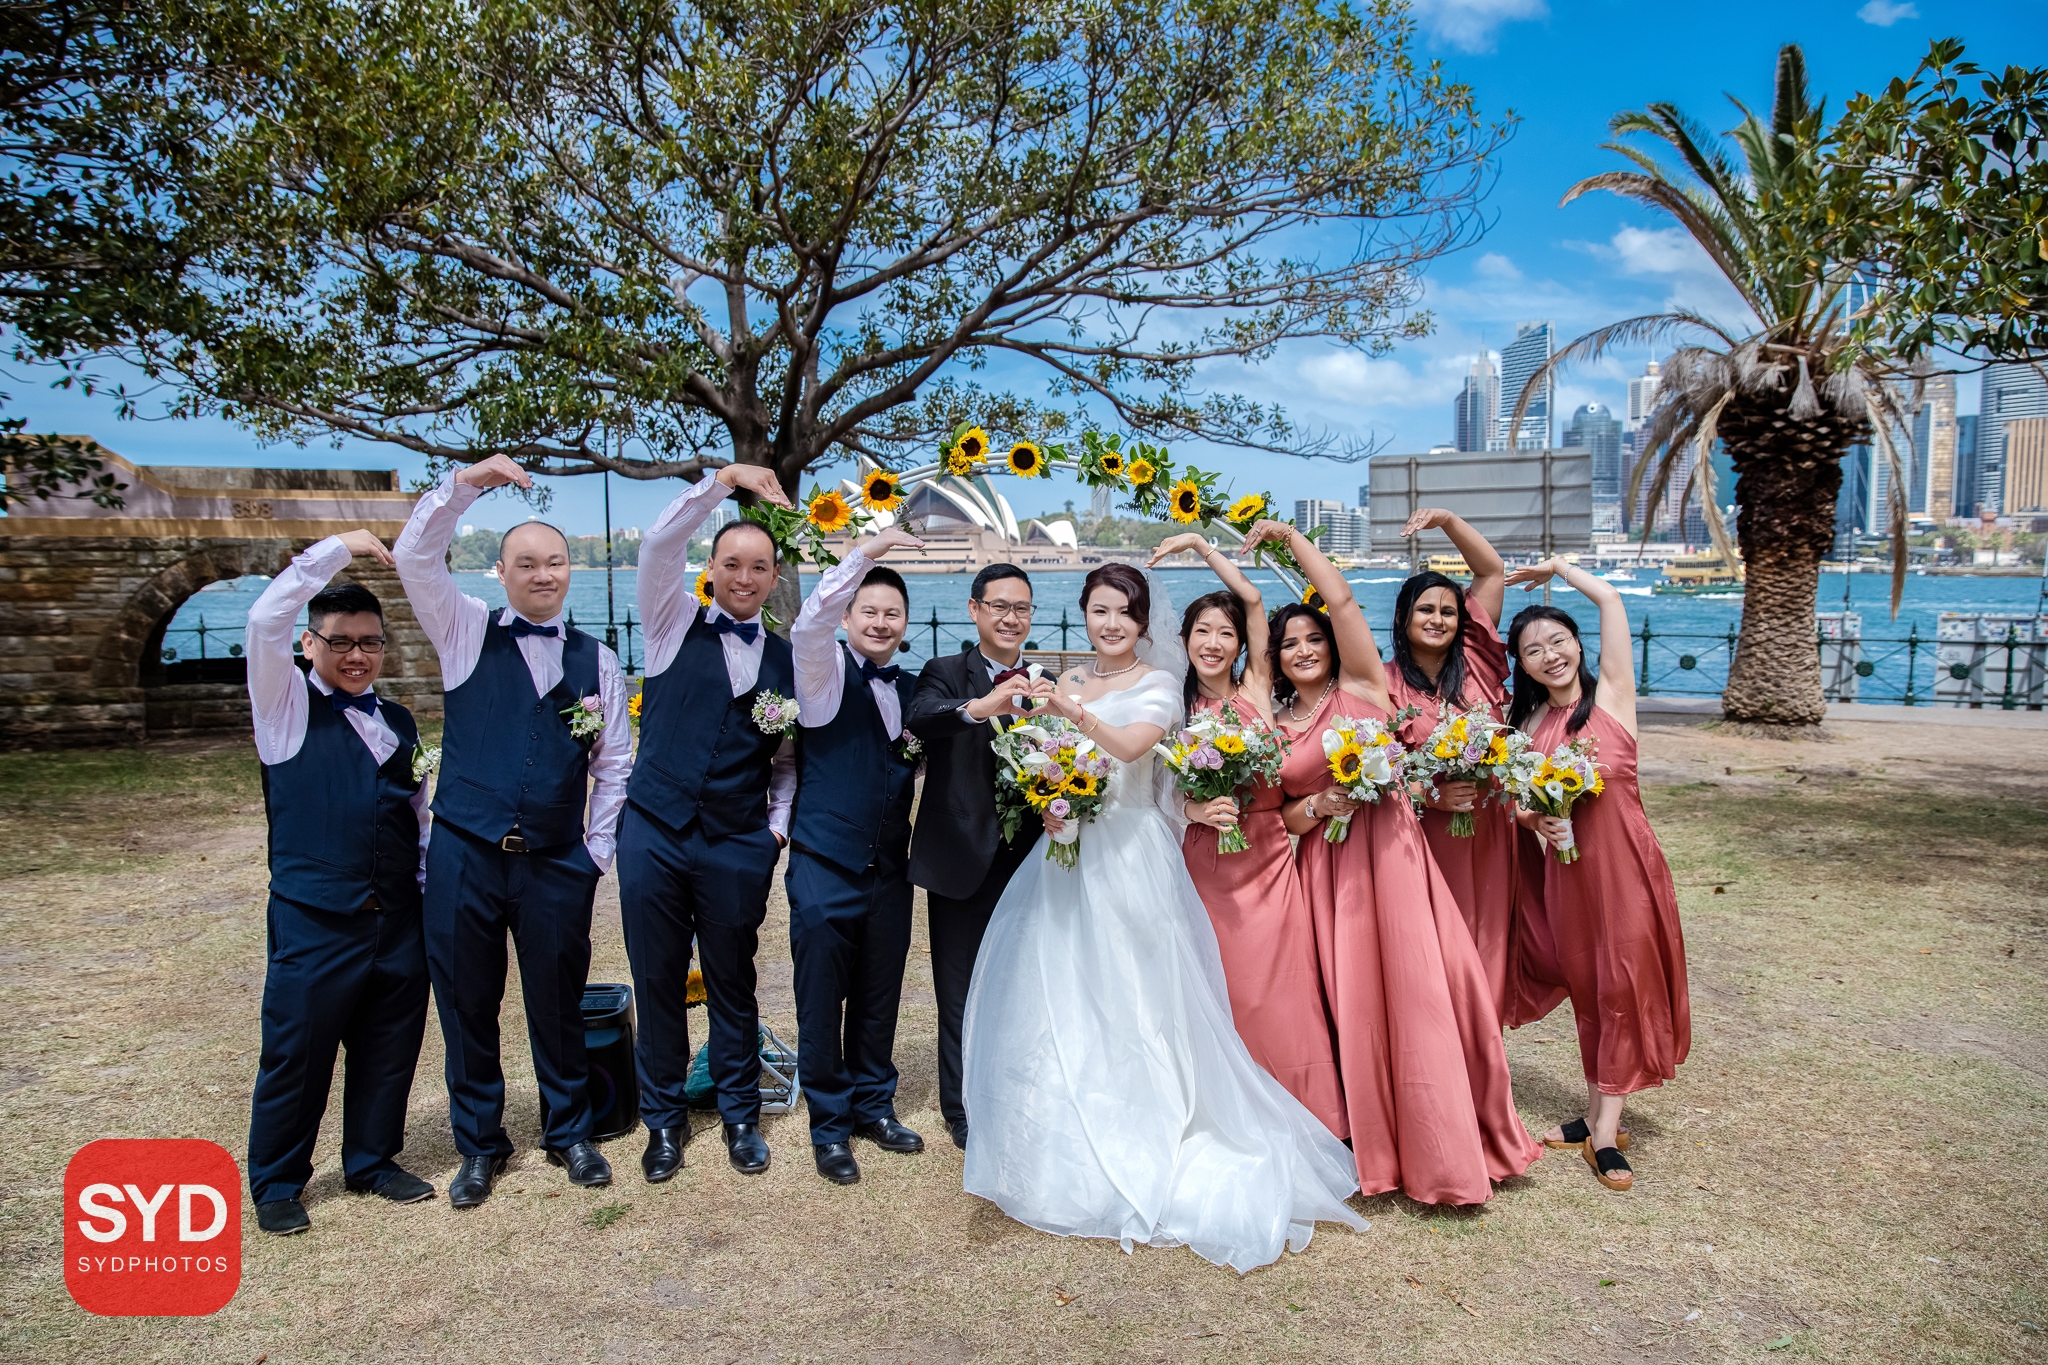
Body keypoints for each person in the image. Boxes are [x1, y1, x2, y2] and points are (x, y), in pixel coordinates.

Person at [961, 564, 1364, 1275]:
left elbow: (1130, 751)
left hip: (1130, 854)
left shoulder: (1157, 686)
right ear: (1084, 614)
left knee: (1138, 996)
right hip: (1070, 853)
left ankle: (1154, 1128)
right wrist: (1050, 798)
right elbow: (1047, 760)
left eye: (1125, 612)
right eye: (1099, 610)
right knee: (1065, 990)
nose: (1111, 623)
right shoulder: (1067, 679)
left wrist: (1070, 715)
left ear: (1144, 622)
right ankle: (1063, 1133)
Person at [1241, 518, 1542, 1207]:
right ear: (1275, 660)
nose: (1305, 650)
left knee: (1422, 994)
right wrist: (1320, 804)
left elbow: (1342, 600)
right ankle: (1367, 1141)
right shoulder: (1274, 729)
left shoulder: (1365, 688)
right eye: (1290, 644)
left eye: (1315, 638)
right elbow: (1280, 818)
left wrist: (1292, 540)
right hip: (1329, 872)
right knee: (1351, 1004)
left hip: (1396, 857)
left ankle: (1447, 1141)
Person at [395, 456, 634, 1208]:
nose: (542, 574)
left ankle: (570, 1132)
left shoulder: (597, 660)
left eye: (554, 562)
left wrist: (594, 853)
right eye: (525, 563)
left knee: (558, 1000)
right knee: (467, 1002)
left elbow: (615, 764)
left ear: (571, 570)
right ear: (499, 572)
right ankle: (479, 1145)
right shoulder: (464, 629)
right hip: (465, 852)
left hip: (558, 860)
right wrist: (466, 485)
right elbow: (413, 556)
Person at [242, 531, 433, 1236]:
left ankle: (373, 1160)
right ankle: (278, 1181)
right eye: (341, 641)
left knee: (390, 1045)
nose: (357, 655)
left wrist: (424, 892)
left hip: (397, 917)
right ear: (309, 644)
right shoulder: (285, 707)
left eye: (370, 642)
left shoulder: (399, 719)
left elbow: (416, 815)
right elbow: (263, 618)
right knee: (297, 1052)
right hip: (316, 918)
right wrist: (338, 548)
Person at [617, 465, 799, 1182]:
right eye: (731, 564)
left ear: (774, 576)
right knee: (657, 977)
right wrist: (720, 482)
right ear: (711, 569)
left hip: (735, 842)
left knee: (732, 979)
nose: (744, 577)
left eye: (758, 567)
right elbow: (658, 544)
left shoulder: (788, 660)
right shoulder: (669, 624)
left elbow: (790, 763)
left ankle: (740, 1116)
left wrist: (773, 832)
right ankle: (662, 1122)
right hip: (654, 833)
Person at [1501, 557, 1690, 1194]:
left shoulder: (1611, 697)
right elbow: (1517, 805)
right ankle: (1592, 1113)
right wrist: (1537, 820)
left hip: (1626, 866)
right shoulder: (1529, 726)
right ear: (1522, 665)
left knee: (1624, 985)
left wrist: (1559, 568)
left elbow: (1611, 600)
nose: (1549, 656)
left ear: (1578, 645)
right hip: (1568, 874)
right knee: (1590, 988)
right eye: (1533, 650)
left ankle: (1606, 1132)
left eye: (1558, 642)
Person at [1146, 531, 1343, 1132]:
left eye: (1225, 633)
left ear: (1240, 645)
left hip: (1269, 854)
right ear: (1184, 640)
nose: (1213, 643)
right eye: (1202, 631)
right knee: (1221, 986)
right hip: (1206, 861)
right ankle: (1229, 1113)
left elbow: (1255, 600)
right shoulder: (1174, 707)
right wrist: (1194, 812)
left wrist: (1200, 544)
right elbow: (1158, 789)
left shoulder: (1257, 688)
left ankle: (1310, 1116)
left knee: (1282, 988)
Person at [786, 527, 931, 1184]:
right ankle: (829, 1126)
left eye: (892, 613)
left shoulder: (912, 691)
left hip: (889, 869)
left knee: (879, 994)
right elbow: (807, 622)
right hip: (824, 864)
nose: (880, 622)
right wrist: (868, 552)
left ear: (904, 624)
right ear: (847, 618)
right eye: (868, 610)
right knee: (821, 999)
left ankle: (874, 1106)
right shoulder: (821, 675)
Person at [904, 563, 1043, 1151]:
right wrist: (983, 705)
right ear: (975, 610)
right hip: (961, 857)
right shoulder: (943, 672)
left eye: (1022, 608)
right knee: (957, 989)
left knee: (1022, 984)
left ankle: (1016, 1092)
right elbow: (920, 718)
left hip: (1030, 859)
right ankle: (961, 1108)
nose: (1011, 618)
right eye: (1000, 606)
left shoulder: (1043, 682)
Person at [1383, 508, 1519, 1015]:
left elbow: (1491, 571)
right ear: (1403, 618)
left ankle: (1484, 1045)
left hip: (1489, 832)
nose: (1437, 619)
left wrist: (1447, 521)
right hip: (1425, 835)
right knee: (1435, 952)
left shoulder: (1478, 664)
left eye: (1448, 611)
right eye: (1425, 609)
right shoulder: (1385, 685)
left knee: (1488, 945)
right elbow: (1377, 769)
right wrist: (1428, 795)